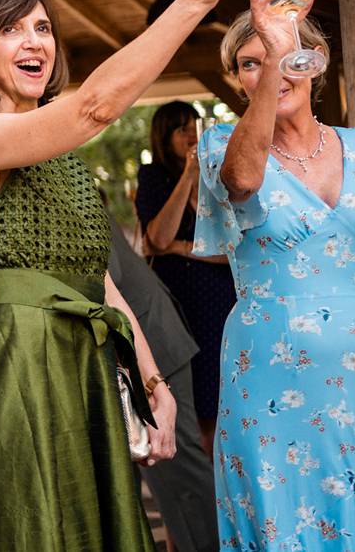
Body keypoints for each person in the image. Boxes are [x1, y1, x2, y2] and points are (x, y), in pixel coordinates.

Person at [0, 0, 248, 552]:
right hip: (22, 363)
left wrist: (153, 384)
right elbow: (94, 107)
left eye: (44, 28)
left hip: (87, 363)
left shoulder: (63, 162)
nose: (36, 41)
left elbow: (101, 282)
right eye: (12, 29)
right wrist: (193, 1)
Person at [196, 0, 355, 551]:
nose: (270, 72)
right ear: (239, 80)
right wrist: (272, 41)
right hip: (272, 396)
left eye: (286, 57)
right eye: (251, 63)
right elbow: (243, 181)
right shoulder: (220, 146)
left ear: (315, 63)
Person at [105, 212, 219, 552]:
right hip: (141, 344)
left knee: (180, 476)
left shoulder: (62, 189)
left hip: (150, 345)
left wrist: (151, 381)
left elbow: (105, 282)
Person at [135, 100, 233, 451]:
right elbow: (157, 238)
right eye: (181, 128)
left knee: (222, 396)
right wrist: (187, 176)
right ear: (165, 135)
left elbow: (232, 250)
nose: (192, 134)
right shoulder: (153, 177)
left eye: (194, 125)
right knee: (191, 397)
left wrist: (178, 247)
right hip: (177, 301)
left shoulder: (218, 179)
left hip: (219, 301)